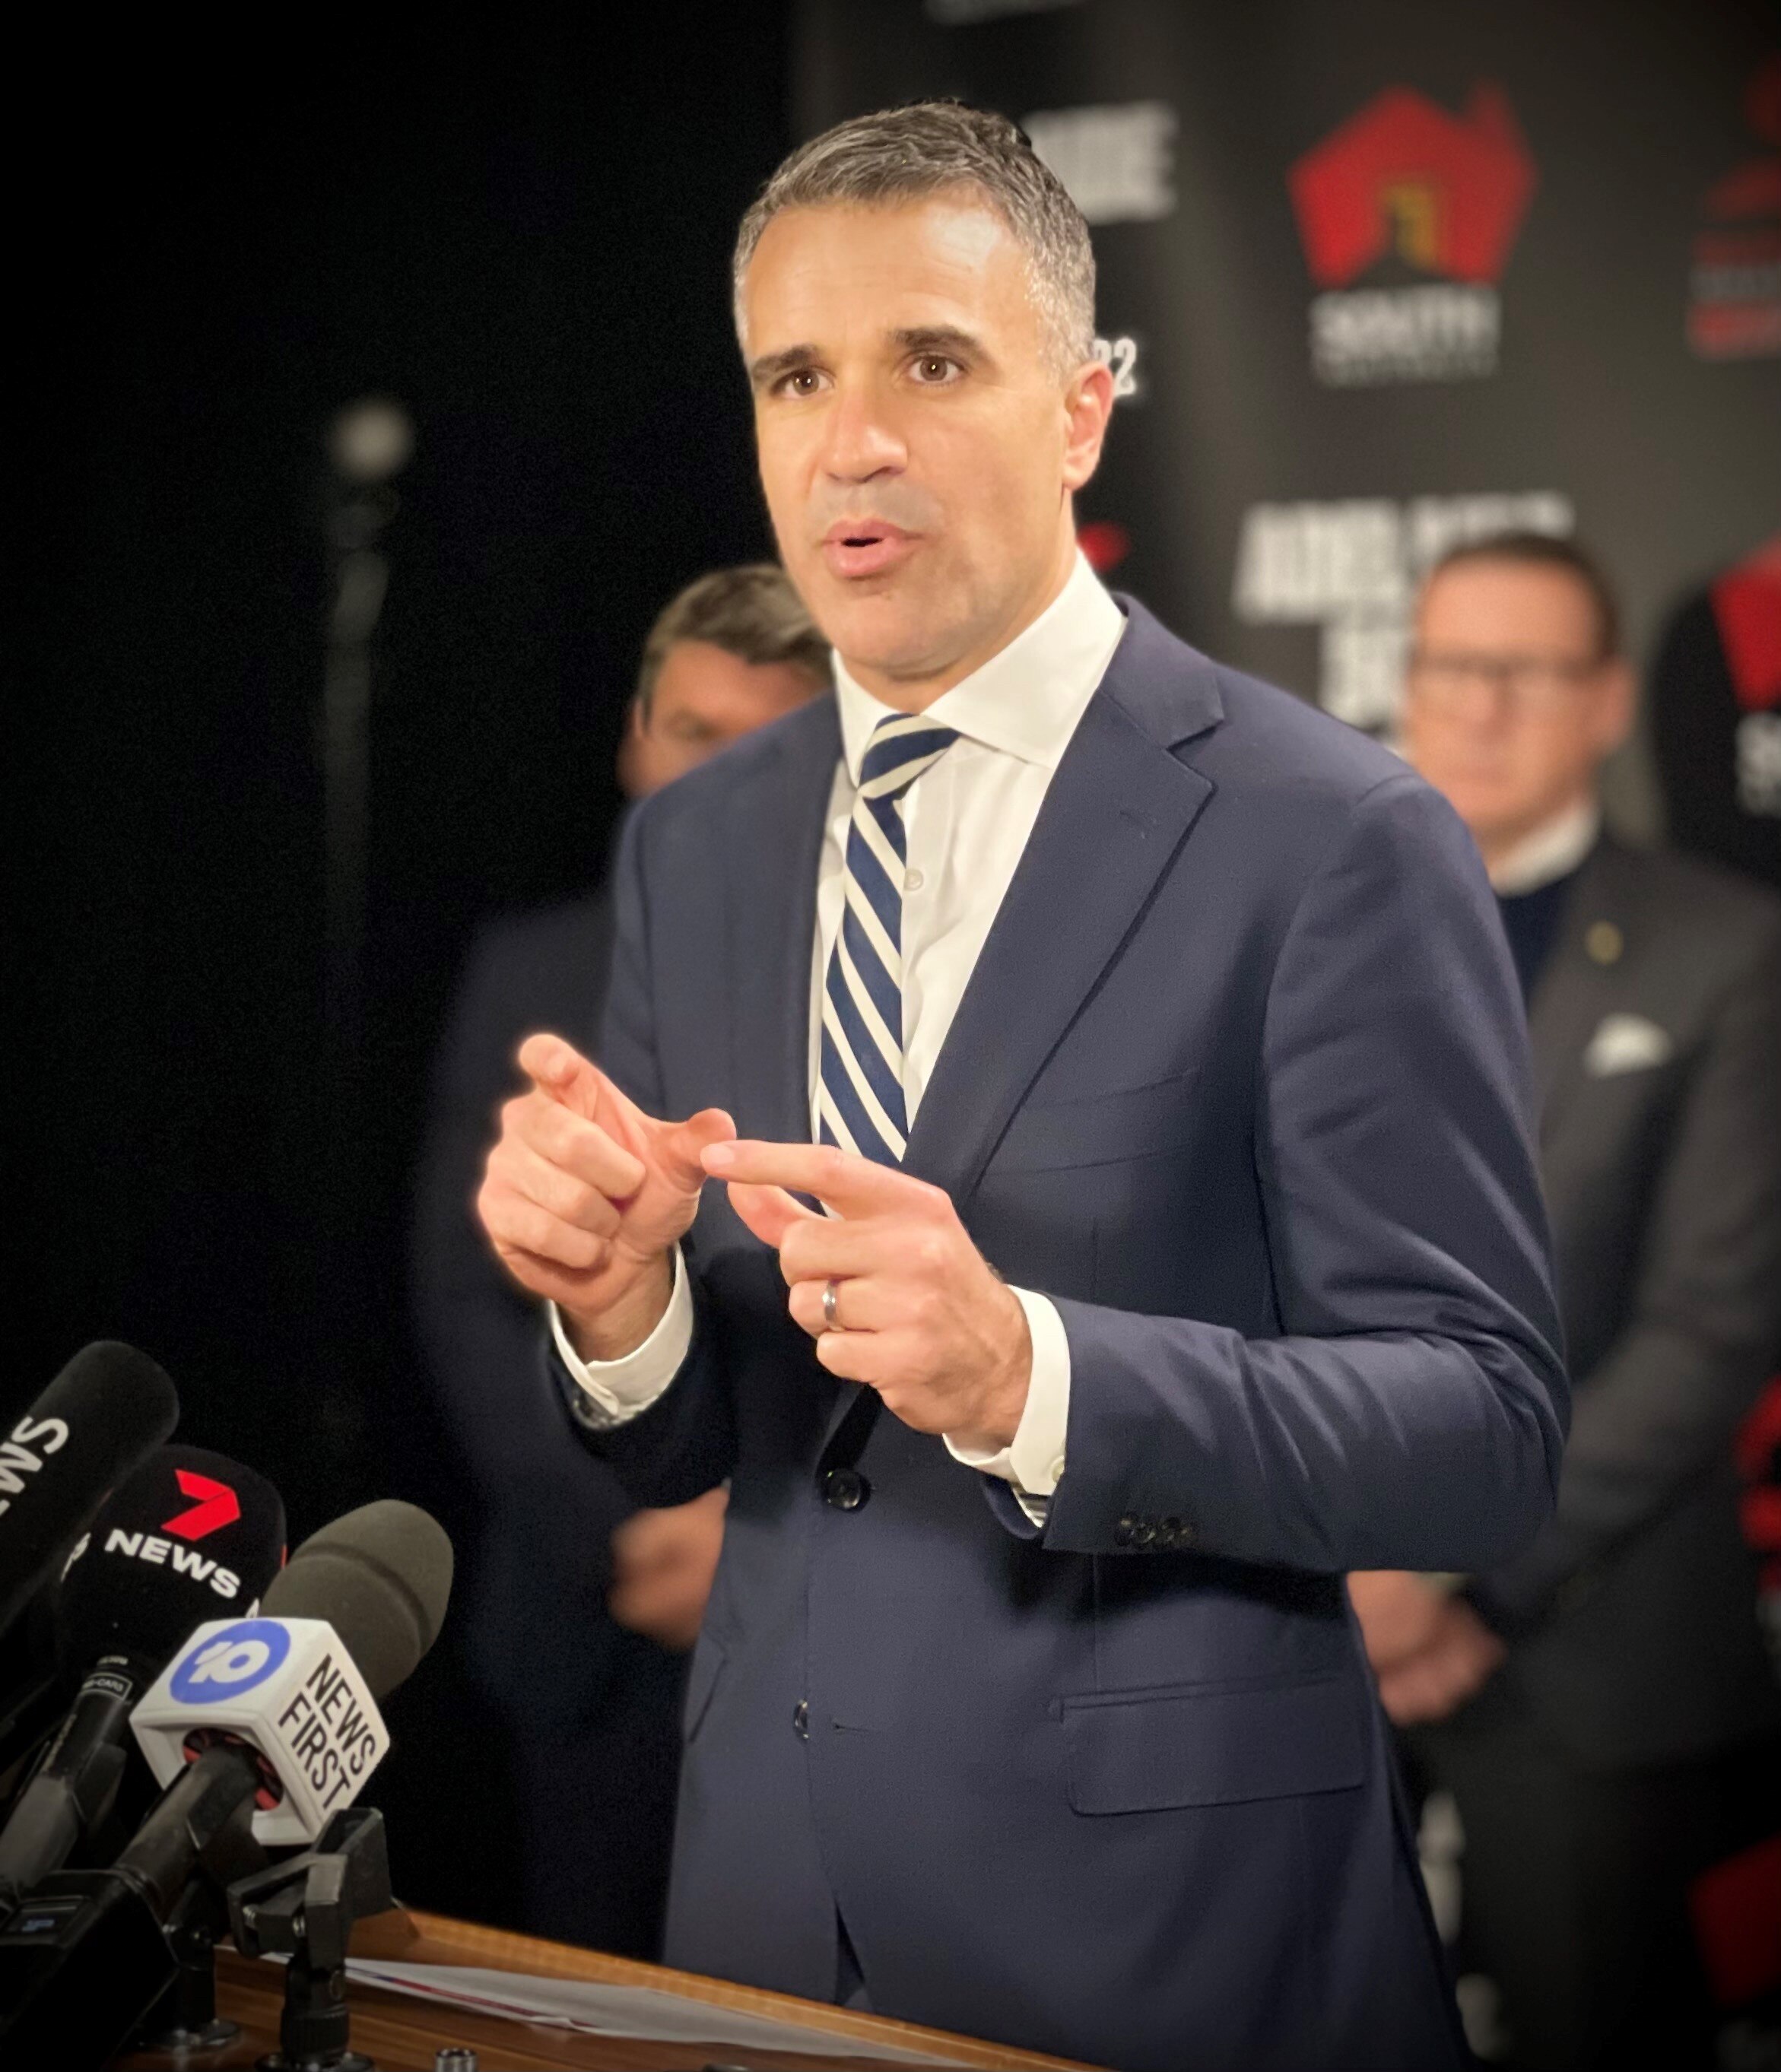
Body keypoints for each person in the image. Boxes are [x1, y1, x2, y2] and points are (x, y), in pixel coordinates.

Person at [475, 103, 1568, 2072]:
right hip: (758, 1912)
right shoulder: (698, 839)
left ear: (1078, 411)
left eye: (929, 361)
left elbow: (1475, 1426)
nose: (849, 439)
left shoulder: (1332, 833)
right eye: (793, 375)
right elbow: (701, 1442)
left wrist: (1027, 1374)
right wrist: (619, 1305)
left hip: (1168, 1942)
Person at [1352, 532, 1781, 2072]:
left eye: (1522, 672)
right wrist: (1348, 1563)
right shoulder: (1300, 931)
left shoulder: (1725, 954)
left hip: (1590, 1669)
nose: (1477, 707)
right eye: (1448, 667)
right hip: (1308, 1640)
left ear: (1604, 704)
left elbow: (1715, 1321)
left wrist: (1453, 1569)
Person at [412, 563, 829, 1955]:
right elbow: (468, 1298)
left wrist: (750, 1538)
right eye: (697, 735)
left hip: (825, 1619)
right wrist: (631, 1523)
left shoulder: (892, 975)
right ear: (638, 737)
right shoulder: (526, 969)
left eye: (769, 744)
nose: (724, 778)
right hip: (590, 1621)